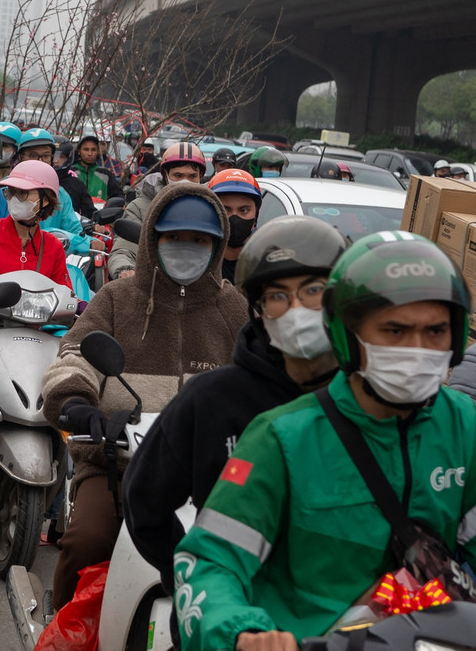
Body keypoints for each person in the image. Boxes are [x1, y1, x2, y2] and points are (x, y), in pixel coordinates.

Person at [173, 231, 476, 651]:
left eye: (435, 331)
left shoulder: (466, 425)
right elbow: (211, 562)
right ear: (347, 336)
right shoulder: (281, 437)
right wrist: (242, 632)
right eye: (394, 331)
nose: (417, 349)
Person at [122, 217, 347, 644]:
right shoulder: (213, 399)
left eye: (314, 291)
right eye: (278, 295)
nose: (298, 309)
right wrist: (189, 577)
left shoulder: (367, 400)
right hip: (229, 621)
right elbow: (143, 499)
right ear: (258, 309)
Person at [41, 182, 248, 608]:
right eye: (175, 238)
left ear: (217, 244)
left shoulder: (234, 309)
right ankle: (62, 627)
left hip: (212, 476)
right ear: (155, 239)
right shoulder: (117, 298)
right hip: (116, 466)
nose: (186, 248)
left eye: (199, 240)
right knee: (87, 541)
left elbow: (258, 380)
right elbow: (75, 355)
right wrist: (78, 405)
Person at [0, 160, 73, 290]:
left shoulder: (53, 246)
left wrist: (82, 305)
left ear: (46, 199)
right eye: (11, 192)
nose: (14, 198)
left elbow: (65, 294)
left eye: (22, 193)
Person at [110, 142, 206, 280]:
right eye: (178, 176)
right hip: (153, 284)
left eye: (192, 176)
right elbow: (124, 249)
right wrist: (126, 270)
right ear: (165, 175)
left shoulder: (210, 209)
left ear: (200, 177)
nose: (185, 182)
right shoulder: (140, 207)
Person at [206, 168, 262, 284]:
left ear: (256, 215)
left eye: (244, 210)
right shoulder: (199, 264)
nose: (235, 218)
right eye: (225, 210)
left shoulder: (265, 265)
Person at [28, 129, 96, 219]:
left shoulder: (76, 184)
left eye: (61, 157)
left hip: (67, 230)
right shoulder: (31, 181)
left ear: (68, 158)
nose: (56, 160)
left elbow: (89, 213)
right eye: (53, 156)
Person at [71, 132, 125, 204]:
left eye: (93, 150)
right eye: (86, 149)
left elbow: (118, 196)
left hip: (101, 214)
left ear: (97, 151)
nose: (90, 154)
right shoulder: (71, 173)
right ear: (79, 151)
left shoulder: (105, 174)